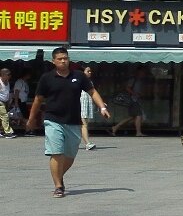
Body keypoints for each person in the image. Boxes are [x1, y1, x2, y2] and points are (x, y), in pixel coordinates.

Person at [28, 46, 110, 198]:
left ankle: (58, 176)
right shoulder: (47, 78)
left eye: (65, 58)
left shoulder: (79, 76)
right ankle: (58, 186)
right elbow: (38, 100)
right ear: (53, 61)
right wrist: (31, 119)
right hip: (53, 120)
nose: (63, 61)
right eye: (59, 59)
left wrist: (102, 107)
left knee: (70, 156)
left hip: (73, 121)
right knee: (56, 153)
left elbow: (92, 92)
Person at [0, 66, 15, 137]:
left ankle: (1, 130)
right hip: (0, 102)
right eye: (8, 74)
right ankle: (8, 132)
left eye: (10, 74)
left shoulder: (7, 82)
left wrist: (9, 102)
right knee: (5, 116)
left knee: (2, 118)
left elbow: (7, 92)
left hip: (5, 102)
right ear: (3, 75)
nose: (10, 76)